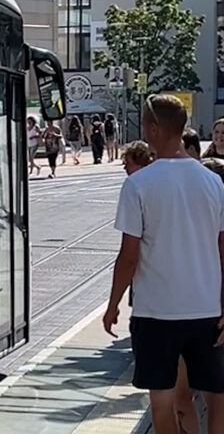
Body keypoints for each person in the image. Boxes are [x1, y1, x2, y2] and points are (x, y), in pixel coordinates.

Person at [103, 94, 224, 434]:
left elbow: (128, 256)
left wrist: (113, 305)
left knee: (162, 401)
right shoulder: (212, 182)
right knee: (215, 394)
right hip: (206, 309)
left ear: (153, 129)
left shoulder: (138, 184)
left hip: (156, 312)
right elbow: (222, 248)